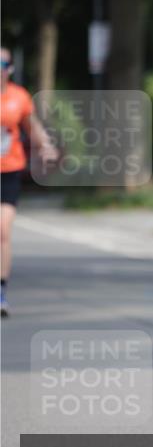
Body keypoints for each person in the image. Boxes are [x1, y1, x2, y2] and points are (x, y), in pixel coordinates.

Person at [0, 46, 59, 317]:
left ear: (9, 68)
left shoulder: (19, 97)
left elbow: (31, 127)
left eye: (2, 63)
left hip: (9, 171)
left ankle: (1, 290)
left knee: (3, 230)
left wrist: (45, 145)